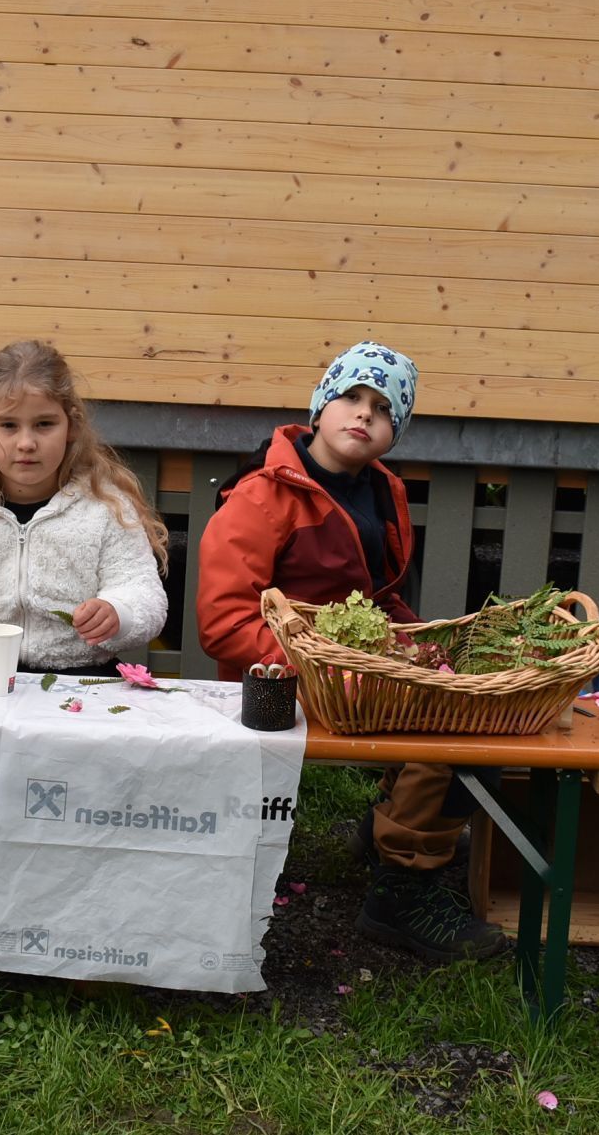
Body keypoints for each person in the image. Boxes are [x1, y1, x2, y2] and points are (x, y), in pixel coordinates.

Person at [195, 342, 507, 964]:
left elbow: (378, 602)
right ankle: (403, 890)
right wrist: (329, 666)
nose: (363, 414)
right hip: (279, 688)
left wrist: (424, 652)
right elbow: (223, 621)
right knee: (444, 732)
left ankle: (395, 831)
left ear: (396, 433)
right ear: (319, 406)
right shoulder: (262, 497)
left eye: (383, 409)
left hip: (352, 674)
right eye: (350, 397)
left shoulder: (382, 491)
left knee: (475, 707)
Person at [0, 339, 167, 675]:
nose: (26, 443)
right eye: (8, 425)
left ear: (71, 425)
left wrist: (117, 612)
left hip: (81, 683)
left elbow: (144, 592)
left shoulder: (106, 504)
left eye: (44, 424)